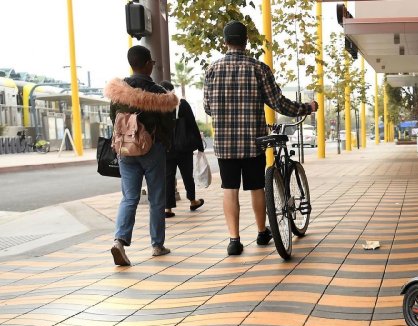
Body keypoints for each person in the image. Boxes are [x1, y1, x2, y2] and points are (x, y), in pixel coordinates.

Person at [204, 20, 318, 256]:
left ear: (225, 42)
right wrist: (306, 108)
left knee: (229, 189)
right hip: (253, 141)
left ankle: (234, 241)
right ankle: (261, 232)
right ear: (246, 41)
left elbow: (207, 107)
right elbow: (279, 103)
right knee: (257, 187)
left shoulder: (212, 70)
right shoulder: (258, 68)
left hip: (225, 143)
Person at [104, 45, 177, 266]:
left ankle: (119, 241)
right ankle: (157, 245)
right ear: (147, 65)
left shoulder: (119, 91)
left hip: (125, 150)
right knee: (156, 198)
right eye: (152, 62)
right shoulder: (158, 93)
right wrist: (164, 143)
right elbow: (168, 123)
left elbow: (113, 117)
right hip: (152, 149)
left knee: (129, 198)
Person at [159, 81, 205, 218]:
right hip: (184, 147)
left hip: (166, 148)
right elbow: (192, 124)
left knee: (168, 177)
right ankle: (193, 201)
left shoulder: (159, 106)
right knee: (187, 175)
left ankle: (168, 208)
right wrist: (200, 145)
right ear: (173, 90)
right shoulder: (182, 104)